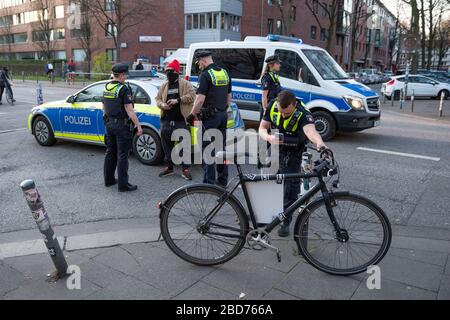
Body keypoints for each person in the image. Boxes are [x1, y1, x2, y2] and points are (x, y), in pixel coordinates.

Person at [259, 90, 327, 237]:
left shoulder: (303, 113)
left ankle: (285, 221)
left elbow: (311, 132)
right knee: (268, 182)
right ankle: (265, 216)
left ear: (294, 105)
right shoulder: (273, 106)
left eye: (286, 113)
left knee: (290, 187)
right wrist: (269, 138)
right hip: (275, 148)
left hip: (294, 152)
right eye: (280, 111)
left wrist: (320, 143)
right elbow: (262, 128)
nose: (282, 115)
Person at [186, 50, 232, 187]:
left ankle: (209, 183)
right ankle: (223, 180)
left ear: (203, 61)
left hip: (209, 118)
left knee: (207, 150)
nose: (199, 65)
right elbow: (229, 96)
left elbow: (200, 100)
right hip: (223, 115)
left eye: (199, 63)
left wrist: (192, 115)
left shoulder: (205, 75)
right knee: (221, 148)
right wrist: (222, 110)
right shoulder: (224, 72)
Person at [103, 63, 143, 192]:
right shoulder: (123, 89)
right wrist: (138, 125)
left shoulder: (107, 86)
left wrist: (107, 119)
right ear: (120, 75)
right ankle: (123, 185)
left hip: (109, 124)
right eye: (125, 74)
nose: (125, 77)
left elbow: (103, 106)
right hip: (121, 125)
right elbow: (130, 110)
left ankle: (108, 180)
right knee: (122, 156)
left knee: (110, 153)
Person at [156, 59, 196, 180]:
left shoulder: (185, 84)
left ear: (177, 72)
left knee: (185, 145)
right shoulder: (164, 85)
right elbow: (157, 99)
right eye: (167, 71)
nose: (168, 73)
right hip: (167, 121)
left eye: (171, 71)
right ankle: (169, 167)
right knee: (167, 145)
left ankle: (185, 169)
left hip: (181, 121)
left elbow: (192, 96)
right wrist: (163, 105)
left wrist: (177, 100)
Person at [261, 55, 282, 119]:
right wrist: (265, 109)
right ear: (271, 65)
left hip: (274, 106)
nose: (279, 65)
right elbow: (264, 95)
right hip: (268, 107)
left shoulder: (275, 76)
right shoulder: (267, 77)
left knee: (274, 127)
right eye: (277, 63)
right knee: (265, 128)